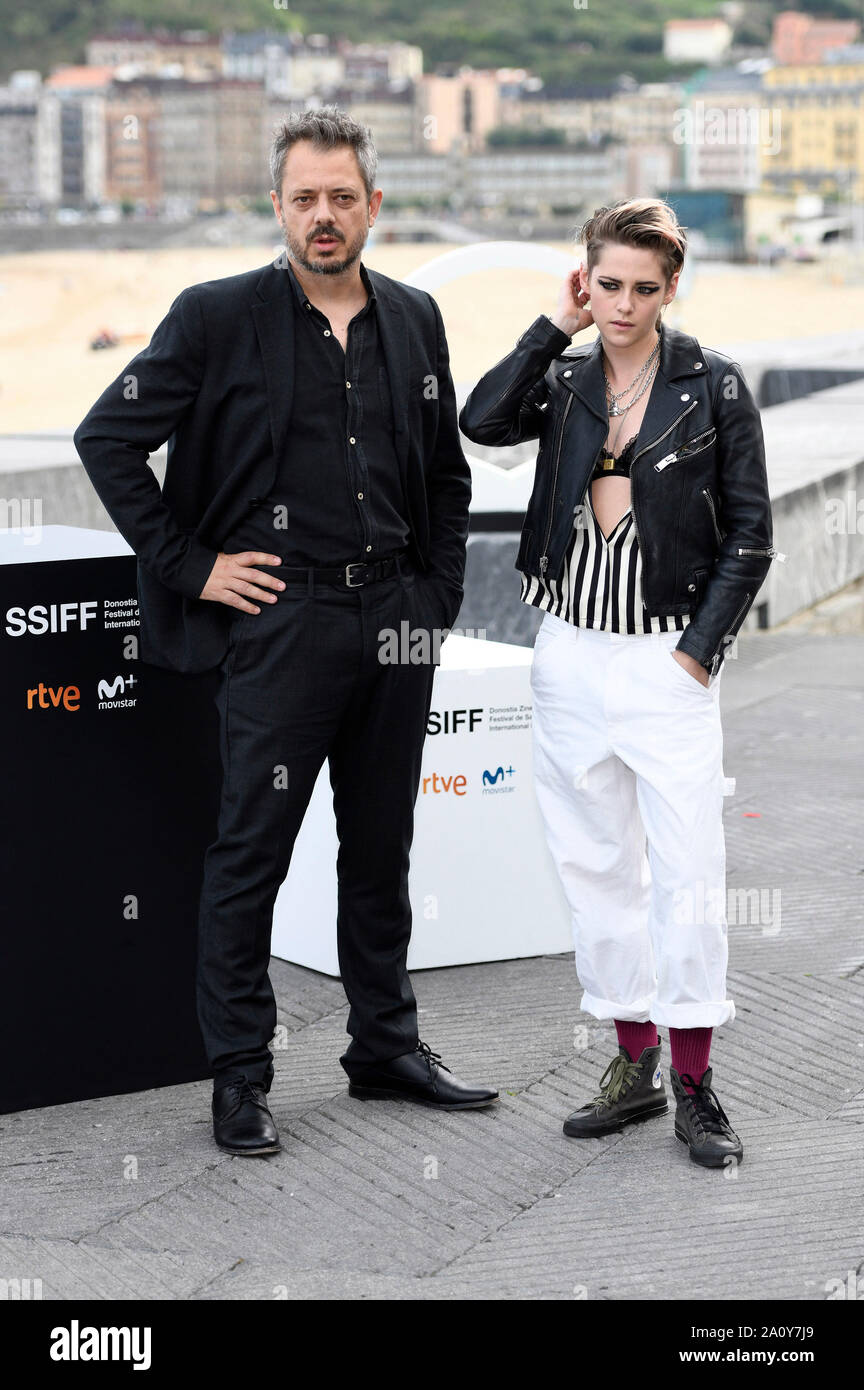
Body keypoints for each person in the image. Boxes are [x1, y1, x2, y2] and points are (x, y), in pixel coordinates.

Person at [74, 107, 498, 1157]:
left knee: (382, 843)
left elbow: (446, 476)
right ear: (277, 205)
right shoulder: (215, 316)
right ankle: (241, 1074)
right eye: (304, 197)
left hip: (395, 619)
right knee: (250, 851)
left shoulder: (416, 317)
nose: (323, 214)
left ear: (373, 206)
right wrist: (194, 566)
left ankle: (384, 1047)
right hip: (280, 623)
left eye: (341, 197)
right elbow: (108, 436)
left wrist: (435, 598)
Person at [459, 198, 778, 1169]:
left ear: (672, 287)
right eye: (608, 285)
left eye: (645, 287)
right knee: (596, 866)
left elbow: (752, 532)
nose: (625, 304)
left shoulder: (712, 387)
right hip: (568, 652)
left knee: (687, 873)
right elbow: (480, 420)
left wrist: (697, 652)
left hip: (663, 657)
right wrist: (553, 324)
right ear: (584, 280)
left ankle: (695, 1078)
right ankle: (632, 1064)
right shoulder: (561, 382)